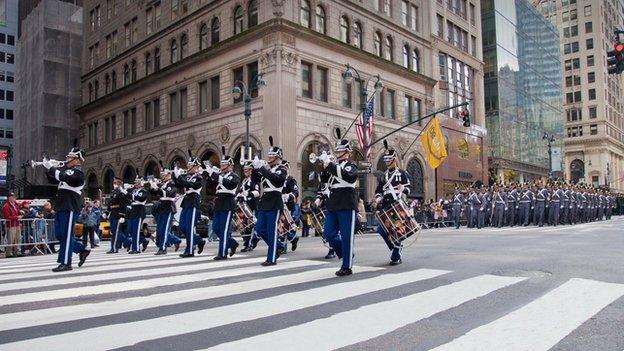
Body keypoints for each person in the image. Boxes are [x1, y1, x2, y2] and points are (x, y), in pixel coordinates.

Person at [43, 145, 91, 272]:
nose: (66, 158)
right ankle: (82, 249)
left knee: (66, 235)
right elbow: (53, 179)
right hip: (61, 207)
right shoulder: (67, 172)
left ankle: (66, 262)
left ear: (76, 160)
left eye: (69, 157)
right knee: (60, 234)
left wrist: (51, 168)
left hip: (69, 207)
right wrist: (48, 168)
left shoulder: (78, 173)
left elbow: (65, 178)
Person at [319, 134, 358, 276]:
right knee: (328, 233)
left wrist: (330, 165)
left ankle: (347, 266)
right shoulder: (334, 166)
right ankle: (345, 253)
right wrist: (324, 165)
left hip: (347, 203)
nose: (338, 154)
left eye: (341, 151)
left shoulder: (351, 165)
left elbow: (349, 177)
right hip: (333, 203)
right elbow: (323, 180)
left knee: (347, 236)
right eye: (337, 151)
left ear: (348, 153)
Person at [251, 137, 287, 266]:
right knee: (260, 229)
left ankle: (271, 258)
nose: (269, 158)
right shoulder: (267, 168)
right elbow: (254, 179)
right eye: (269, 156)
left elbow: (276, 180)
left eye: (272, 156)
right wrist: (255, 168)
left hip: (274, 201)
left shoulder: (282, 168)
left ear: (278, 157)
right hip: (265, 201)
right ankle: (278, 246)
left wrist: (262, 168)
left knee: (272, 231)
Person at [373, 143, 411, 265]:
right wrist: (378, 198)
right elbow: (378, 191)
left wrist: (402, 189)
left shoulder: (402, 173)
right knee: (382, 230)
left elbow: (409, 189)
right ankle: (396, 247)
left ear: (394, 160)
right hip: (385, 205)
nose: (387, 162)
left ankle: (396, 254)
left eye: (389, 159)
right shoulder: (384, 175)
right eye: (385, 159)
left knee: (397, 230)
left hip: (396, 205)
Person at [206, 149, 240, 260]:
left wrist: (216, 176)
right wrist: (210, 174)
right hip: (219, 204)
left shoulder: (234, 176)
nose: (222, 166)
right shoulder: (220, 175)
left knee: (224, 229)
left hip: (227, 203)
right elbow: (210, 187)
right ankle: (232, 243)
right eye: (221, 164)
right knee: (216, 228)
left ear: (230, 165)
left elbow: (230, 185)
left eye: (224, 164)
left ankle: (223, 253)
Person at [173, 152, 207, 257]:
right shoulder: (188, 177)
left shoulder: (199, 178)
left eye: (190, 166)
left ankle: (190, 250)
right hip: (186, 202)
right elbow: (178, 184)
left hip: (193, 201)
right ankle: (199, 241)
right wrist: (175, 175)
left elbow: (191, 185)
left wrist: (180, 177)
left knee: (189, 227)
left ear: (196, 166)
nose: (188, 167)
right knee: (182, 227)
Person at [149, 169, 178, 255]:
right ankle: (162, 246)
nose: (162, 176)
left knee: (164, 229)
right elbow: (154, 193)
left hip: (168, 207)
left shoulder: (171, 184)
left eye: (163, 174)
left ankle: (163, 248)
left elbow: (167, 193)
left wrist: (157, 188)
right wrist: (152, 186)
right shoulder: (163, 184)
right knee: (160, 229)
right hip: (161, 208)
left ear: (169, 175)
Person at [237, 160, 260, 252]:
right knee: (244, 226)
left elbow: (257, 192)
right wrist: (239, 196)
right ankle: (246, 243)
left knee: (251, 226)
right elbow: (241, 191)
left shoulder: (254, 180)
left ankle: (250, 243)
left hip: (252, 205)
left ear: (251, 170)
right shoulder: (244, 180)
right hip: (244, 206)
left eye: (247, 170)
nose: (245, 172)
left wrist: (248, 193)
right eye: (244, 170)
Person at [107, 177, 132, 253]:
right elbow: (110, 203)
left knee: (116, 231)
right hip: (113, 213)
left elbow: (123, 204)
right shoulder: (114, 192)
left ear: (119, 184)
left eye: (115, 183)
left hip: (118, 214)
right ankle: (127, 243)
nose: (114, 184)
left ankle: (115, 247)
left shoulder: (121, 193)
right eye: (114, 183)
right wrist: (106, 212)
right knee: (113, 231)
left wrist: (122, 215)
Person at [127, 173, 149, 254]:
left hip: (139, 211)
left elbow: (140, 198)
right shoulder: (133, 191)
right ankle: (143, 240)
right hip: (133, 211)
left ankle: (136, 249)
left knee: (136, 230)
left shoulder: (143, 191)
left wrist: (129, 195)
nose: (135, 184)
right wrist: (125, 191)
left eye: (137, 182)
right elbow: (128, 198)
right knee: (131, 230)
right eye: (135, 182)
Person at [280, 160, 300, 252]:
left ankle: (284, 246)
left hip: (288, 205)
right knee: (280, 225)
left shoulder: (290, 179)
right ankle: (293, 238)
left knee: (286, 225)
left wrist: (289, 196)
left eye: (284, 168)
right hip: (279, 204)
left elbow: (296, 192)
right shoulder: (278, 178)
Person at [2, 193, 22, 258]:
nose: (14, 198)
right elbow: (7, 217)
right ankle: (9, 253)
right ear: (9, 198)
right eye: (13, 196)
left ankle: (18, 252)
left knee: (18, 238)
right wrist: (17, 217)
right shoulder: (6, 206)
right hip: (10, 225)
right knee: (10, 239)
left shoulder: (15, 205)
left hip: (16, 224)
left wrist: (21, 214)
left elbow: (18, 213)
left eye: (14, 196)